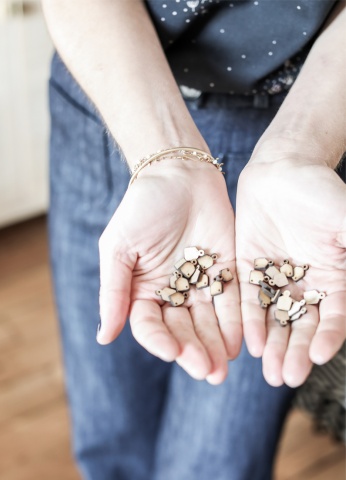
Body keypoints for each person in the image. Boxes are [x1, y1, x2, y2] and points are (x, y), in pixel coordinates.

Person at [42, 1, 346, 479]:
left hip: (296, 113)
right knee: (108, 437)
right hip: (101, 83)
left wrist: (300, 152)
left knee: (212, 464)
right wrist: (163, 158)